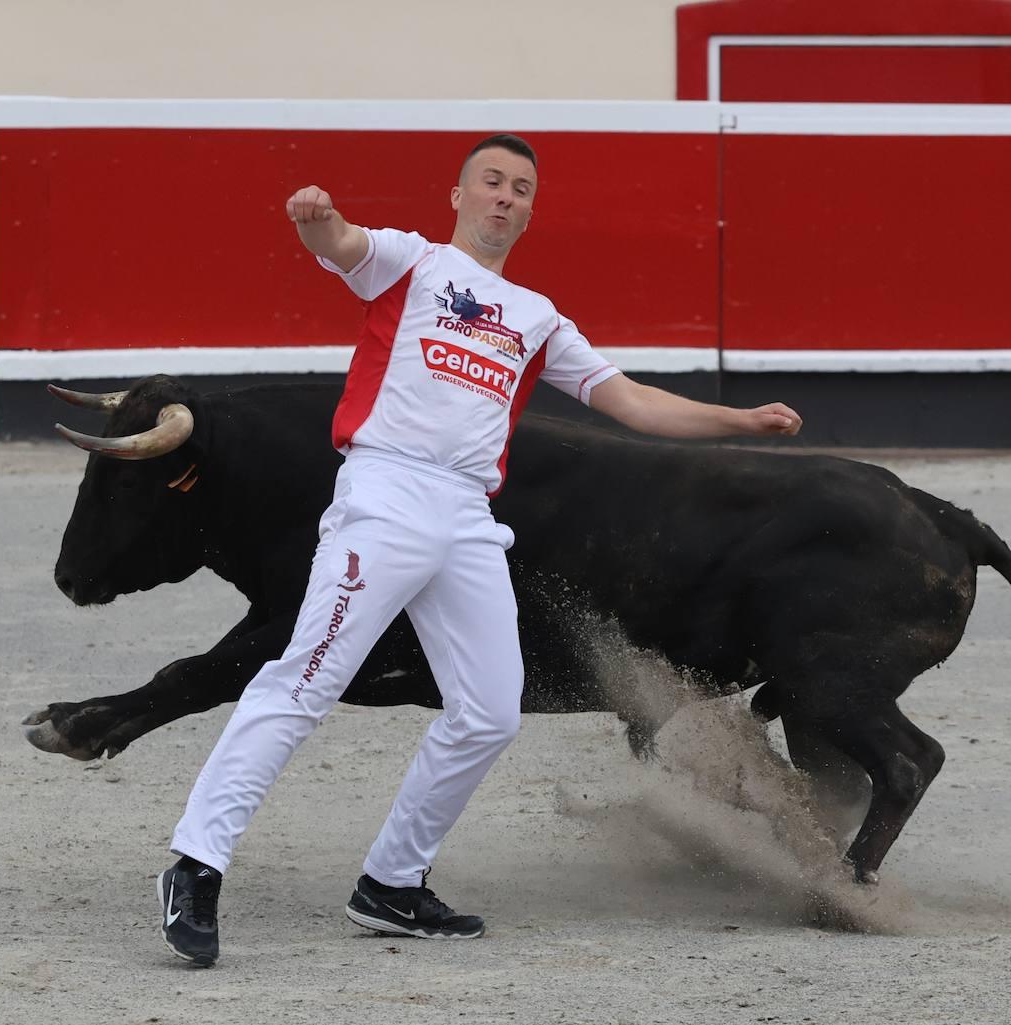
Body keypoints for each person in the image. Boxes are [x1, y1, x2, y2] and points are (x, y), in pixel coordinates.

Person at [156, 133, 803, 966]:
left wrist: (740, 422)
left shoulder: (538, 318)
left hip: (466, 515)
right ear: (457, 195)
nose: (505, 196)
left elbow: (633, 403)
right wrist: (317, 221)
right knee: (306, 679)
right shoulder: (410, 261)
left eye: (520, 187)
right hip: (385, 494)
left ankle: (390, 882)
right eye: (491, 181)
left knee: (492, 711)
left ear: (531, 209)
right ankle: (196, 863)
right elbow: (340, 244)